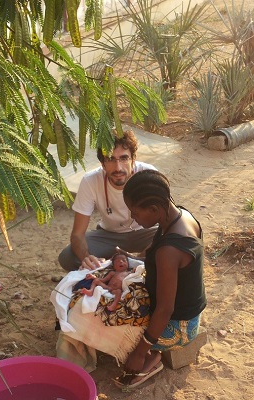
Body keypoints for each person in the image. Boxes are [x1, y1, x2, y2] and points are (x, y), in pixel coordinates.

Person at [114, 170, 206, 389]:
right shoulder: (180, 215)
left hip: (179, 327)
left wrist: (139, 352)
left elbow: (165, 309)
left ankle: (152, 358)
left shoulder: (170, 250)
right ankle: (153, 351)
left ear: (154, 209)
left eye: (134, 213)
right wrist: (131, 259)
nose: (132, 218)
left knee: (112, 324)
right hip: (188, 312)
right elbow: (156, 254)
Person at [58, 130, 157, 271]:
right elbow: (77, 234)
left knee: (173, 242)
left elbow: (169, 222)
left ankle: (133, 265)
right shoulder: (90, 181)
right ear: (102, 163)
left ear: (133, 159)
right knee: (68, 257)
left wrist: (138, 259)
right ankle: (110, 266)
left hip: (146, 232)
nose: (118, 168)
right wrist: (86, 258)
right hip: (110, 235)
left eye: (123, 158)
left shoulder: (149, 175)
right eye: (110, 159)